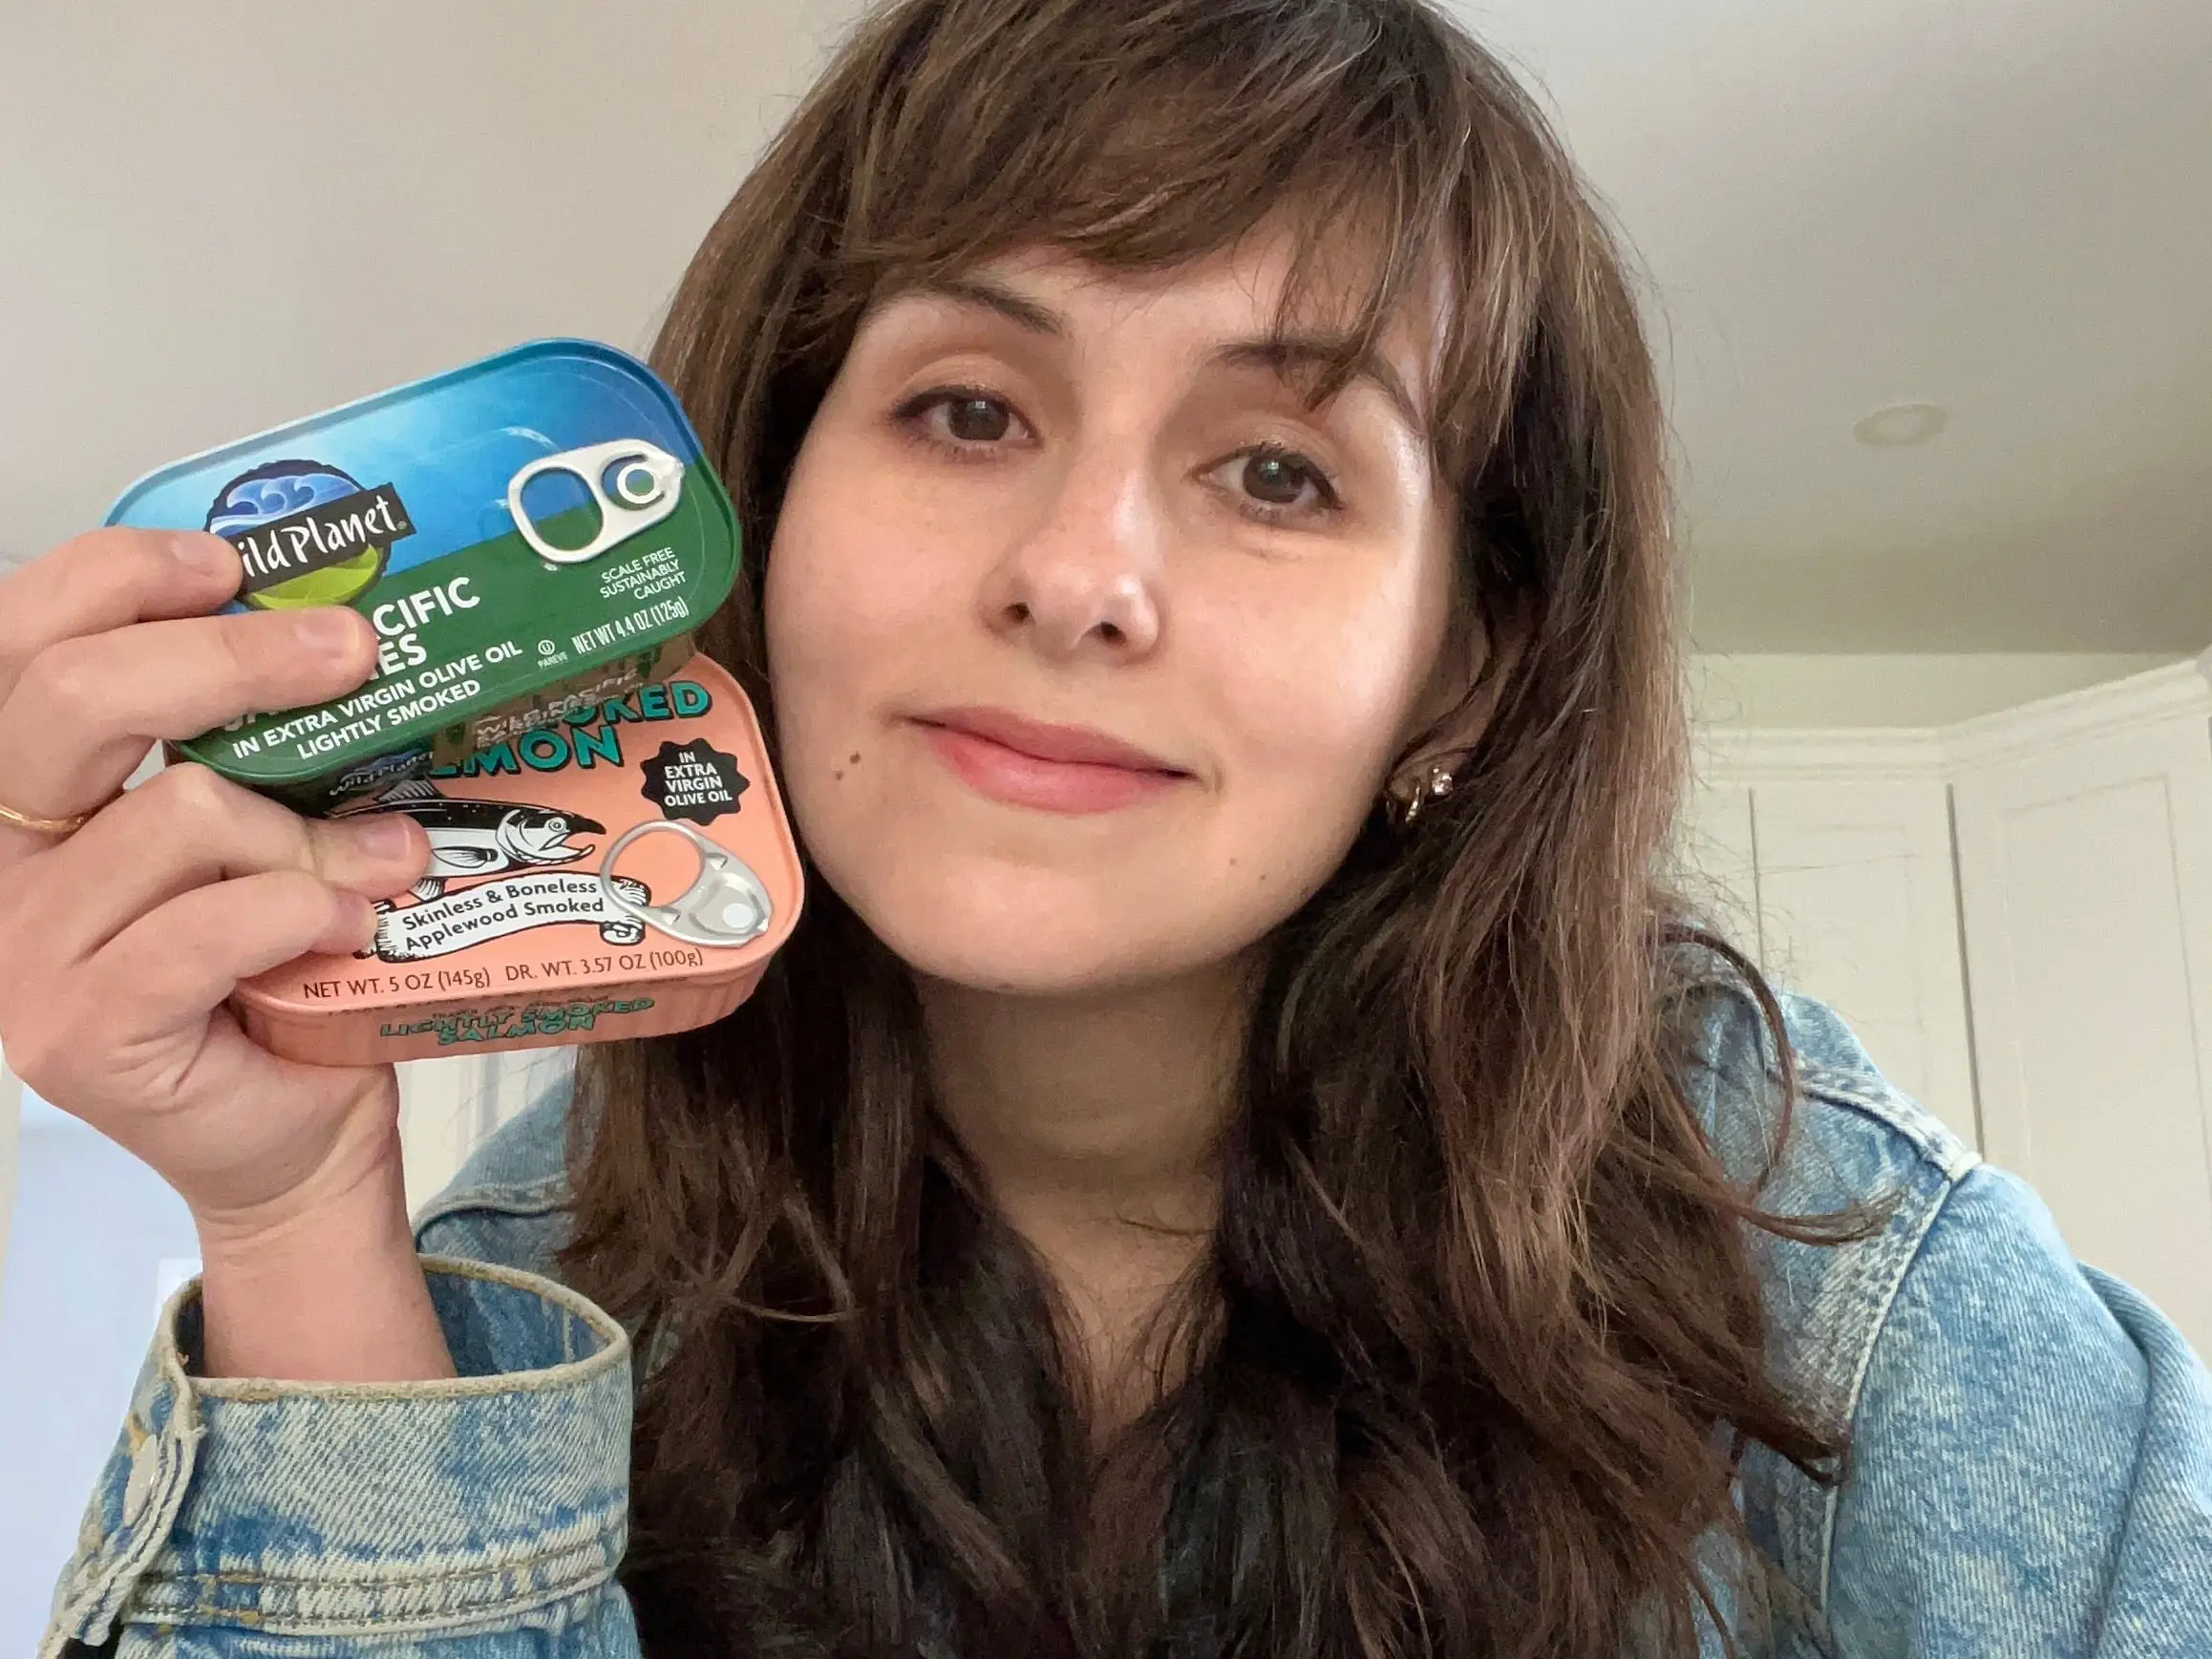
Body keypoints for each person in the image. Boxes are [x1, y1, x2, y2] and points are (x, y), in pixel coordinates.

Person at [2, 0, 2207, 1652]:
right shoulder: (525, 1289)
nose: (1078, 571)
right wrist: (290, 1214)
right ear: (760, 525)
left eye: (1278, 470)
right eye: (969, 407)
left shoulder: (1815, 1249)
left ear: (1457, 666)